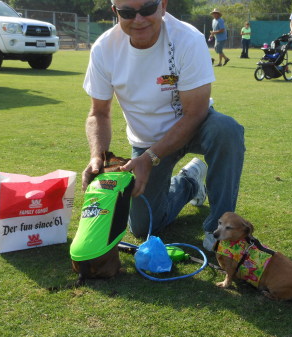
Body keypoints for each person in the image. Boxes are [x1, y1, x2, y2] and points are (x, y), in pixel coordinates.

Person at [82, 0, 245, 251]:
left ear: (163, 6)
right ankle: (190, 181)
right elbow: (99, 113)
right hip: (146, 140)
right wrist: (98, 156)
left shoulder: (187, 38)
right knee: (143, 226)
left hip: (196, 127)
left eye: (147, 9)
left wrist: (149, 159)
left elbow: (196, 112)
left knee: (226, 130)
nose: (139, 20)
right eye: (127, 13)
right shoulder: (104, 48)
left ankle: (218, 226)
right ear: (115, 12)